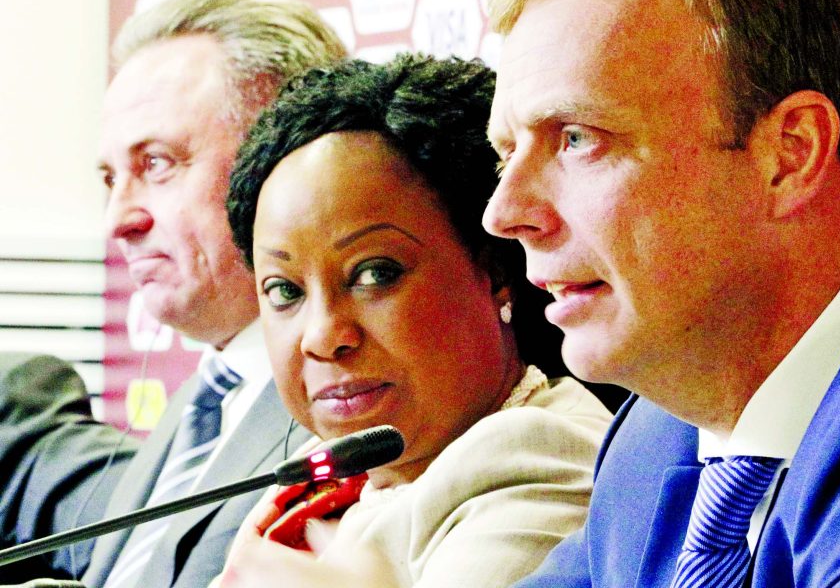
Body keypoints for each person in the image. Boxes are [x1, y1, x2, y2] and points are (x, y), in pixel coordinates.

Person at [480, 0, 840, 586]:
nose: (503, 212)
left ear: (789, 155)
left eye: (575, 138)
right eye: (504, 152)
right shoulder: (652, 441)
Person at [214, 53, 612, 587]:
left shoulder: (536, 455)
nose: (323, 336)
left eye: (375, 274)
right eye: (285, 291)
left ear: (494, 270)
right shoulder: (322, 480)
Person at [0, 0, 346, 587]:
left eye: (156, 163)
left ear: (281, 157)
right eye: (111, 178)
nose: (119, 219)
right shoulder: (201, 405)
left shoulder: (349, 413)